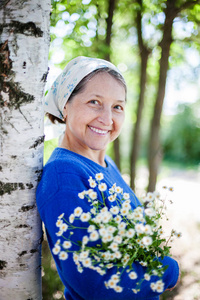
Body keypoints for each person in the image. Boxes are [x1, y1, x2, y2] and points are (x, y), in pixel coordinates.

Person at [36, 56, 179, 300]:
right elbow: (95, 283)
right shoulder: (64, 174)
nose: (107, 118)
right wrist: (166, 271)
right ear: (66, 106)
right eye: (94, 102)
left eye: (117, 107)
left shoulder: (105, 165)